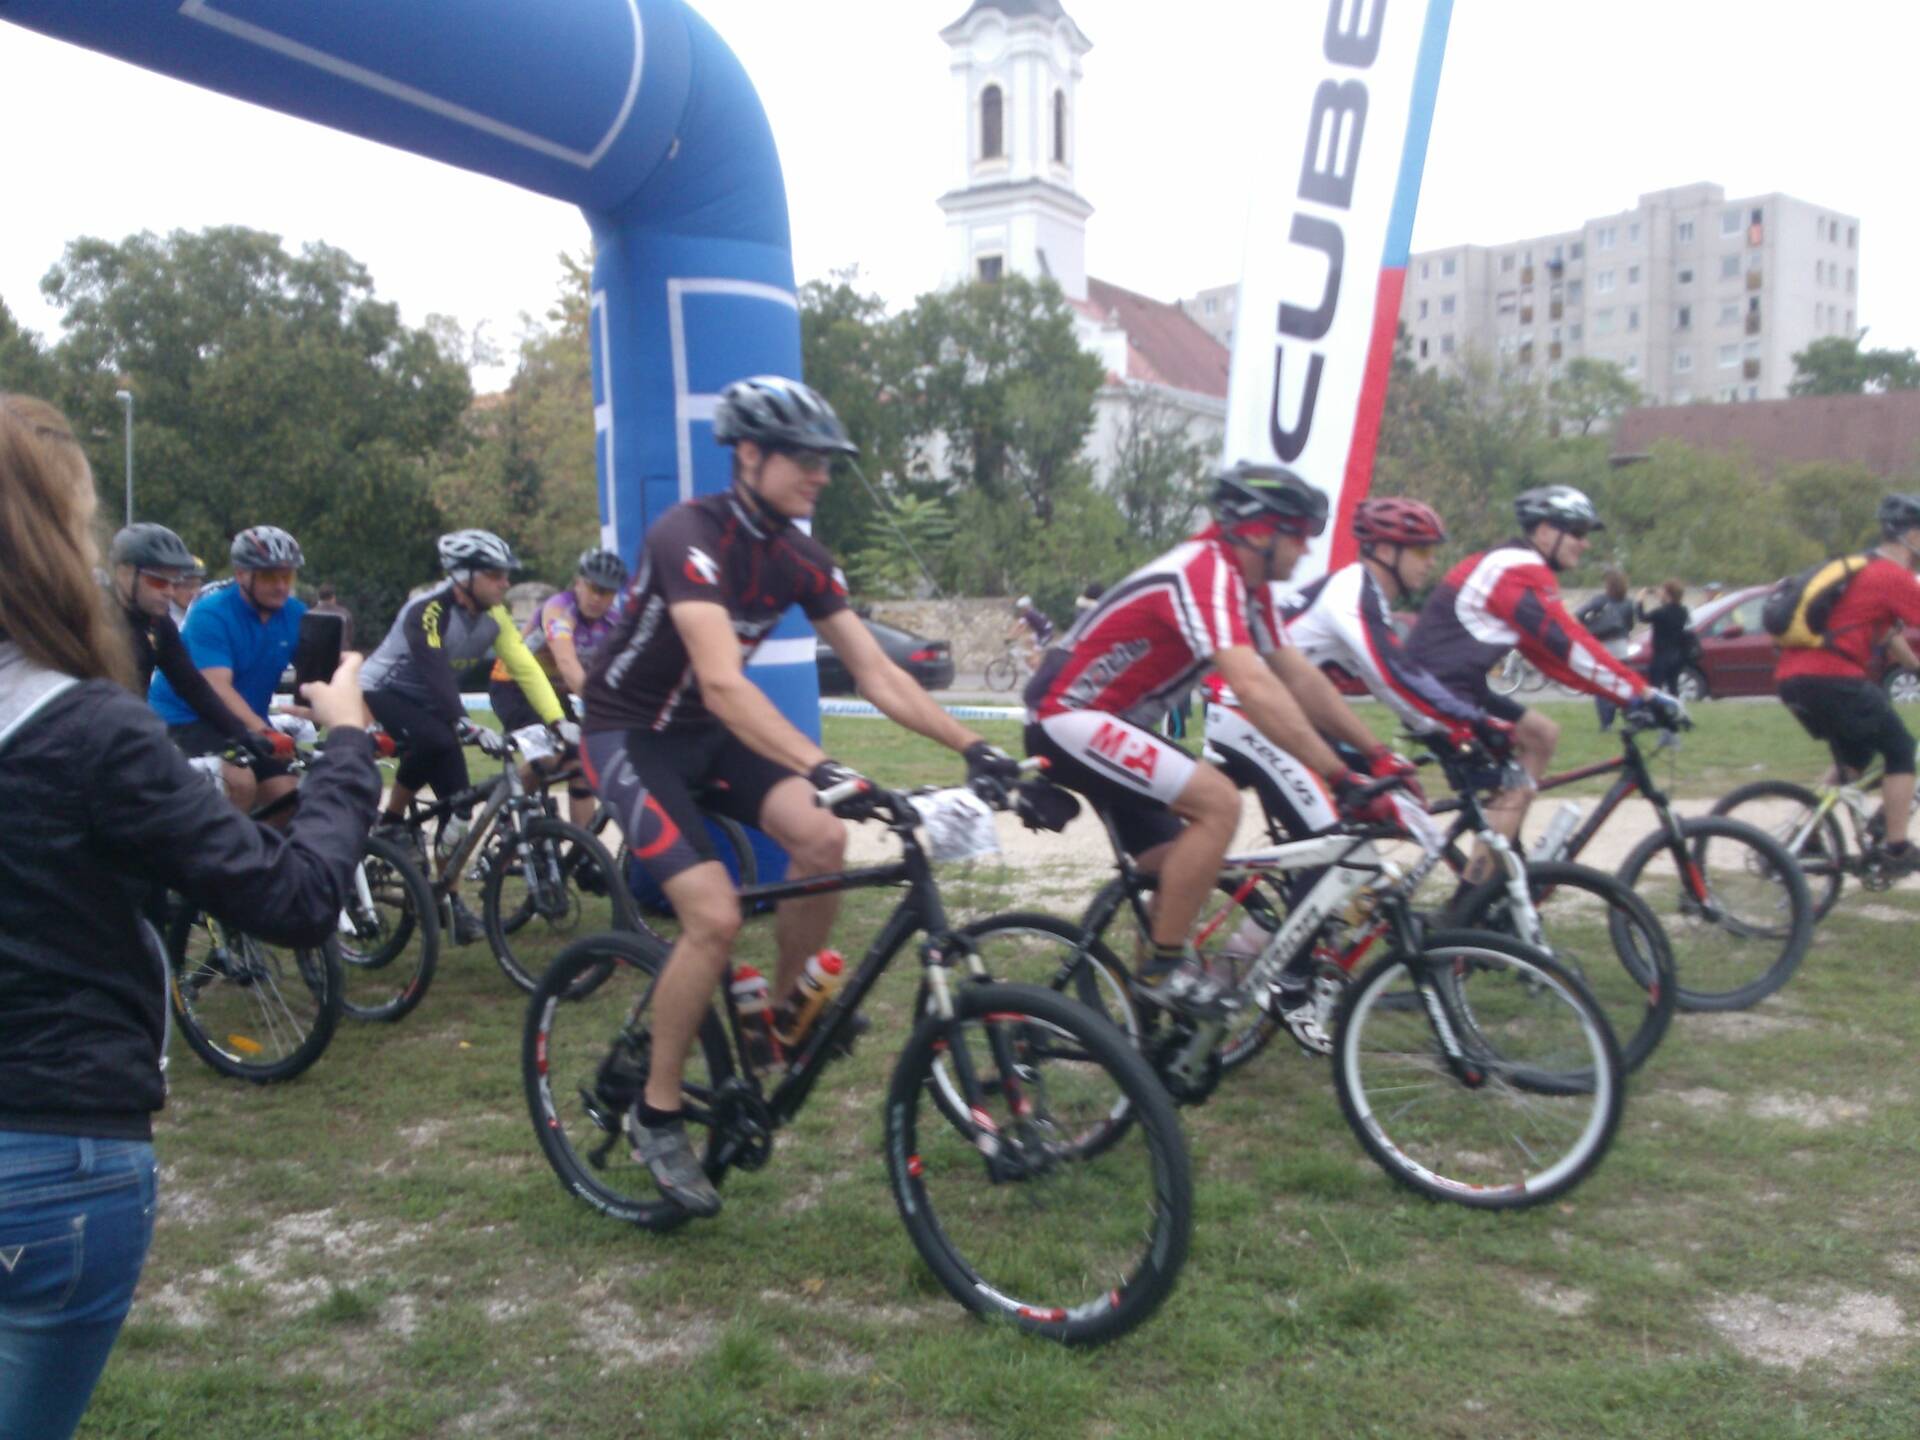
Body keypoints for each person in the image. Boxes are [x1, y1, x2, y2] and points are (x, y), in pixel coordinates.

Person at [0, 392, 379, 1440]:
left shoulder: (128, 670)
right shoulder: (85, 729)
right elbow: (297, 899)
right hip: (54, 1153)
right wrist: (348, 745)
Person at [580, 375, 1019, 1218]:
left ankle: (780, 1020)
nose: (821, 475)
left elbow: (877, 671)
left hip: (708, 735)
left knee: (822, 840)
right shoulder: (688, 536)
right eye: (805, 459)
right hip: (630, 734)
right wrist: (820, 764)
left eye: (827, 461)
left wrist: (974, 745)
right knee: (713, 917)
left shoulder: (800, 557)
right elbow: (721, 679)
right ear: (749, 454)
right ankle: (656, 1113)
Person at [1025, 462, 1412, 1024]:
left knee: (1176, 868)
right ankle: (1162, 971)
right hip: (1068, 714)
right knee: (1219, 803)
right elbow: (1253, 686)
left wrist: (1375, 755)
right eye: (1299, 535)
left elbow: (1297, 676)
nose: (1306, 550)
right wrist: (1339, 775)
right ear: (1260, 532)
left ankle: (1142, 1028)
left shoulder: (1248, 589)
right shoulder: (1204, 572)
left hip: (1108, 720)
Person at [1202, 495, 1482, 1044]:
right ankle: (1290, 982)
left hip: (1284, 720)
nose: (1430, 561)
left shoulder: (1365, 595)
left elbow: (1371, 685)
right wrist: (1464, 726)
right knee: (1333, 841)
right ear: (1384, 549)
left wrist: (1393, 750)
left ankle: (1271, 945)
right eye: (1420, 549)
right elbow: (1391, 674)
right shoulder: (1353, 589)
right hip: (1248, 714)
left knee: (1353, 828)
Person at [1406, 485, 1679, 882]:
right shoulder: (1517, 569)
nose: (1585, 543)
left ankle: (1495, 879)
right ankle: (1475, 895)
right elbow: (1568, 645)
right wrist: (1639, 694)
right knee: (1516, 782)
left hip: (1451, 687)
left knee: (1541, 735)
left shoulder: (1511, 564)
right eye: (1578, 532)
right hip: (1442, 694)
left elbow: (1548, 655)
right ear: (1547, 531)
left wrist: (1625, 693)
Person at [360, 529, 571, 945]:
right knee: (436, 740)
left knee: (459, 807)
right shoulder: (427, 611)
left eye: (506, 574)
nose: (505, 583)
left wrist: (557, 720)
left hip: (434, 705)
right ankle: (391, 824)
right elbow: (435, 669)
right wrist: (462, 722)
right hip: (385, 692)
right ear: (463, 575)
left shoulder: (495, 617)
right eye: (495, 575)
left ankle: (449, 900)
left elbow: (525, 668)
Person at [1775, 493, 1920, 874]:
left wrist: (1915, 667)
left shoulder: (1863, 570)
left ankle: (1806, 835)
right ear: (1911, 536)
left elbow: (1886, 633)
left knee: (1854, 759)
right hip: (1832, 677)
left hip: (1795, 678)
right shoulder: (1893, 576)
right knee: (1901, 749)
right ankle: (1897, 849)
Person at [149, 525, 310, 817]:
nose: (281, 586)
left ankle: (253, 847)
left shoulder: (296, 614)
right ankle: (216, 846)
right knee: (239, 782)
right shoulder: (212, 613)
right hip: (187, 719)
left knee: (289, 797)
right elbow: (218, 688)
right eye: (269, 576)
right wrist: (263, 730)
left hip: (246, 721)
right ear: (241, 575)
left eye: (287, 576)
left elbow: (319, 677)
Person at [487, 546, 628, 827]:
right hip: (514, 687)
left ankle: (583, 847)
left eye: (606, 593)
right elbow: (567, 664)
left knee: (580, 765)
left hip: (555, 694)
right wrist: (605, 706)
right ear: (578, 583)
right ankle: (504, 810)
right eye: (593, 588)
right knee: (550, 758)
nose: (597, 598)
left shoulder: (613, 622)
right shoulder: (560, 609)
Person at [105, 523, 262, 758]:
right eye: (159, 581)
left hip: (129, 734)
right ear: (124, 572)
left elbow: (193, 686)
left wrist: (243, 735)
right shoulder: (96, 622)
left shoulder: (157, 623)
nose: (169, 591)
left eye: (175, 582)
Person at [1577, 567, 1639, 728]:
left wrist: (1591, 625)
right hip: (1621, 648)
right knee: (1624, 684)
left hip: (1603, 648)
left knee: (1603, 686)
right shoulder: (1628, 602)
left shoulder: (1600, 600)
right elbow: (1630, 626)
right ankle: (1630, 717)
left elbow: (1579, 614)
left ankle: (1606, 722)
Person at [1637, 579, 1693, 695]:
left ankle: (1657, 707)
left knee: (1656, 687)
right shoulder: (1683, 611)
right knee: (1673, 687)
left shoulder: (1661, 612)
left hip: (1661, 656)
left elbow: (1642, 617)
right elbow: (1671, 608)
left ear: (1668, 594)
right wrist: (1663, 598)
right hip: (1677, 655)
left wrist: (1640, 600)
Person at [1007, 594, 1054, 670]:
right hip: (1040, 633)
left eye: (1021, 608)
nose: (1021, 610)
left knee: (1035, 654)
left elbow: (1018, 626)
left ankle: (1038, 670)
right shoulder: (1032, 612)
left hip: (1046, 634)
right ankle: (1031, 660)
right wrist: (1016, 636)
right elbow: (1023, 627)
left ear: (1025, 606)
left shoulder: (1028, 614)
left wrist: (1009, 636)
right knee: (1027, 641)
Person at [310, 582, 355, 651]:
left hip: (317, 653)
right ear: (333, 597)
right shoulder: (344, 613)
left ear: (319, 597)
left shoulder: (310, 614)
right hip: (341, 652)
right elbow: (350, 636)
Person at [168, 554, 204, 626]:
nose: (194, 593)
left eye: (198, 585)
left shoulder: (205, 613)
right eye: (187, 586)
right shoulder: (162, 619)